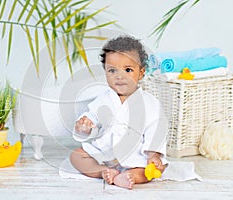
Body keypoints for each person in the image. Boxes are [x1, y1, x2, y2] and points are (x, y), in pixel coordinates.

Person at [69, 35, 168, 190]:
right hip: (104, 151)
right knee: (76, 156)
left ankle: (130, 176)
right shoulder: (103, 99)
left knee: (150, 171)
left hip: (135, 154)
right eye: (112, 70)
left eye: (128, 70)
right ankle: (103, 171)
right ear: (105, 72)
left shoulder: (149, 103)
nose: (119, 76)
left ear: (141, 73)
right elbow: (92, 117)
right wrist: (85, 126)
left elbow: (156, 128)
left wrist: (153, 155)